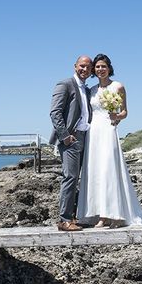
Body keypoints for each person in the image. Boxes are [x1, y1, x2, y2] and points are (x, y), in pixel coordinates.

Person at [76, 53, 142, 228]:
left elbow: (125, 111)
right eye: (98, 67)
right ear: (94, 70)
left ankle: (115, 214)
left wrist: (117, 116)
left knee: (110, 170)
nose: (100, 69)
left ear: (109, 68)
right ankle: (101, 215)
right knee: (96, 171)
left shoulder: (118, 86)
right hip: (94, 132)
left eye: (104, 66)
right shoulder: (91, 90)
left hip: (108, 130)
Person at [50, 55, 93, 231]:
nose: (85, 69)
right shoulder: (65, 84)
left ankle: (75, 217)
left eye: (88, 68)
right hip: (70, 139)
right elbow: (55, 112)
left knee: (82, 178)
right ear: (75, 66)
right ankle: (64, 220)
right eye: (82, 66)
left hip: (85, 137)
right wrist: (65, 136)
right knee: (70, 177)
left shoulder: (88, 90)